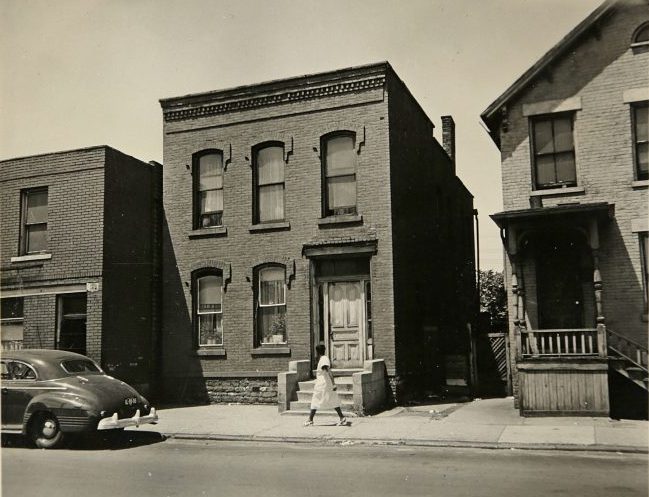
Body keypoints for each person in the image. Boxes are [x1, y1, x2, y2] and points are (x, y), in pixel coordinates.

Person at [304, 344, 347, 426]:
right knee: (333, 400)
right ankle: (342, 417)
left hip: (323, 385)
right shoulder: (324, 359)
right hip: (324, 384)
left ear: (317, 352)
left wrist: (333, 383)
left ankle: (310, 419)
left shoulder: (323, 359)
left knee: (315, 400)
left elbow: (328, 371)